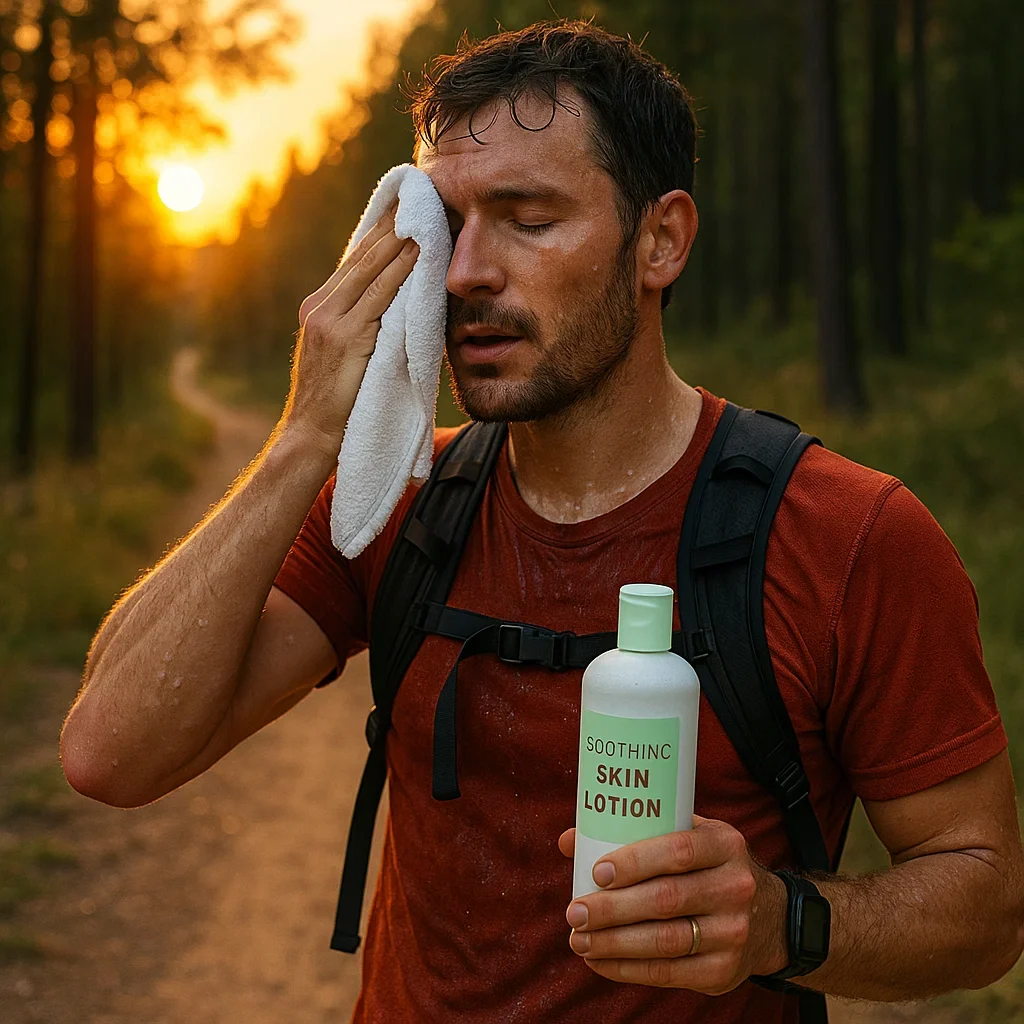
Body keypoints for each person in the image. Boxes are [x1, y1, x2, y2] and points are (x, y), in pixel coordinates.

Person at [60, 20, 1023, 1024]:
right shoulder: (399, 499)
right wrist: (306, 435)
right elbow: (109, 755)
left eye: (526, 218)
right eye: (446, 227)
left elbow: (986, 903)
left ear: (661, 241)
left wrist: (780, 926)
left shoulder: (848, 536)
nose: (467, 272)